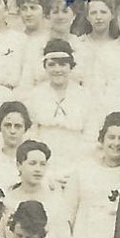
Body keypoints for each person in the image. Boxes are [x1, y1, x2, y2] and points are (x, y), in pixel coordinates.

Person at [23, 39, 92, 172]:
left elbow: (90, 134)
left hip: (78, 161)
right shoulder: (35, 95)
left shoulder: (84, 96)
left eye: (62, 64)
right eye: (52, 64)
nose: (57, 69)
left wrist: (77, 165)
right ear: (45, 67)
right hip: (43, 162)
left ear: (71, 66)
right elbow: (31, 132)